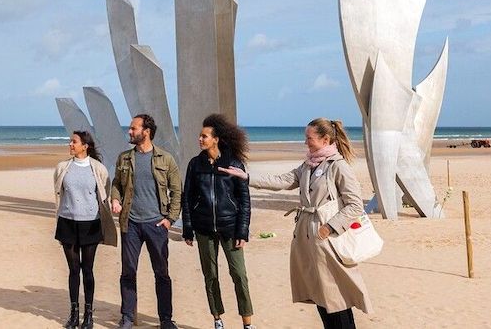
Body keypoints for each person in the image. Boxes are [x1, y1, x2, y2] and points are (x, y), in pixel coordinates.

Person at [219, 118, 372, 329]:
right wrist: (246, 177)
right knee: (320, 295)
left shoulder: (338, 166)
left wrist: (329, 228)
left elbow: (354, 205)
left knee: (336, 297)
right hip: (307, 239)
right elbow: (281, 181)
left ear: (325, 139)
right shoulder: (308, 165)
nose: (305, 142)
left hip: (328, 240)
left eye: (309, 138)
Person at [182, 114, 254, 329]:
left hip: (230, 228)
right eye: (200, 136)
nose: (200, 139)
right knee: (210, 275)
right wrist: (188, 228)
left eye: (204, 136)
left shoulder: (233, 164)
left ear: (216, 139)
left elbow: (244, 200)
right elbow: (187, 197)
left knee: (239, 275)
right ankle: (217, 319)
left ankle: (247, 323)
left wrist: (242, 231)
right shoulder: (195, 164)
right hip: (203, 228)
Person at [110, 114, 182, 329]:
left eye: (133, 128)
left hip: (156, 224)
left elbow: (177, 191)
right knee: (128, 272)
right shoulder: (124, 158)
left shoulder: (166, 159)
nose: (130, 132)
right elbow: (116, 184)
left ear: (146, 131)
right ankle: (128, 317)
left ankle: (166, 320)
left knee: (162, 273)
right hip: (130, 224)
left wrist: (170, 219)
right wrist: (115, 198)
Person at [53, 130, 118, 329]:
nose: (70, 144)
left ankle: (88, 315)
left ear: (85, 145)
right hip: (67, 222)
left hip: (90, 223)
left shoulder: (98, 168)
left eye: (74, 142)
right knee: (73, 270)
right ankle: (74, 313)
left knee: (87, 269)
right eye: (70, 142)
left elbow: (104, 193)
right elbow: (59, 192)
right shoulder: (62, 167)